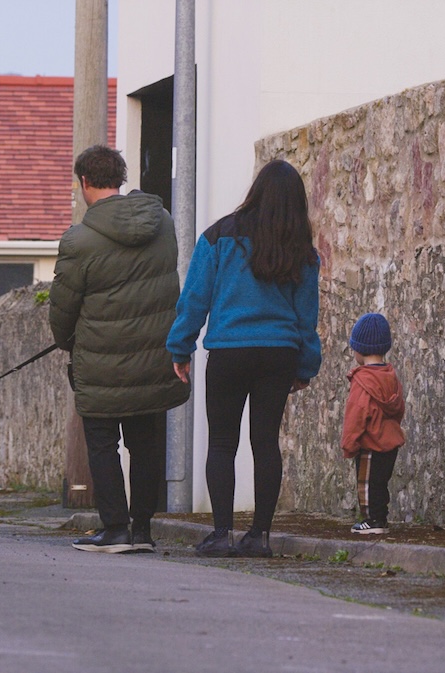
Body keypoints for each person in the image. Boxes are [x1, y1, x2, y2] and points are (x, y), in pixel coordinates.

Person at [167, 159, 321, 558]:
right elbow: (307, 316)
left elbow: (195, 298)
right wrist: (305, 365)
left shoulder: (219, 235)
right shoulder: (301, 248)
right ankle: (260, 537)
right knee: (266, 443)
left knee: (221, 443)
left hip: (229, 352)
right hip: (279, 354)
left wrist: (180, 347)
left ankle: (221, 534)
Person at [49, 145, 191, 554]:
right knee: (146, 442)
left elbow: (63, 308)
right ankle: (143, 528)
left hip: (100, 359)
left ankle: (114, 527)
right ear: (121, 178)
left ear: (84, 183)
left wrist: (67, 342)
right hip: (154, 356)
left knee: (101, 442)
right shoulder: (161, 223)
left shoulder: (79, 239)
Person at [340, 312, 405, 535]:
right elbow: (399, 408)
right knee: (380, 483)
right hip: (391, 440)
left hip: (370, 442)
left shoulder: (362, 380)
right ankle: (380, 517)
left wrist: (349, 444)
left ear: (359, 349)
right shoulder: (390, 376)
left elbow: (356, 415)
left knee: (366, 484)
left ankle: (373, 520)